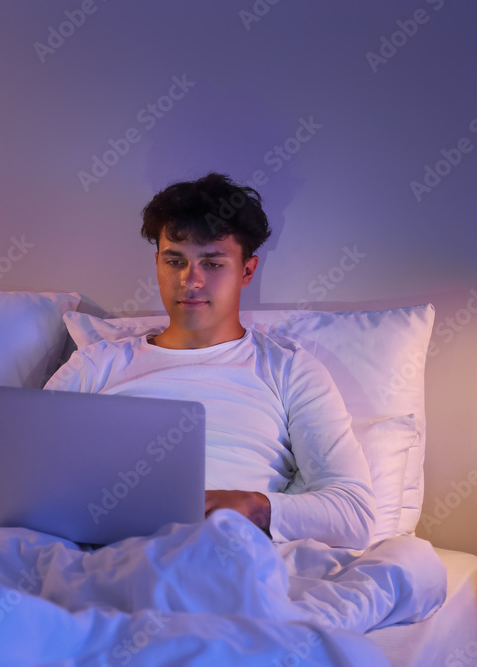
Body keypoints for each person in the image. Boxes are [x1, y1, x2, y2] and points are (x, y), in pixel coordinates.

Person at [44, 172, 375, 549]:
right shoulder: (93, 365)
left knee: (412, 566)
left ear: (247, 271)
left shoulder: (290, 371)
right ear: (157, 264)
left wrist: (256, 507)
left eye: (212, 263)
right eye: (174, 261)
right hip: (95, 545)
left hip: (221, 551)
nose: (190, 280)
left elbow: (355, 514)